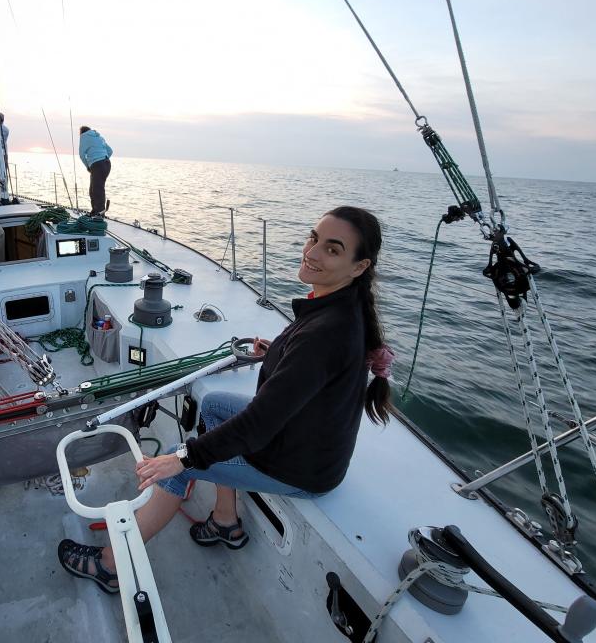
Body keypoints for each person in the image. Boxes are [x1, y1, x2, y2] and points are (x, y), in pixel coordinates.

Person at [58, 206, 395, 593]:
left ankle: (111, 566)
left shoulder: (325, 333)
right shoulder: (338, 307)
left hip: (299, 466)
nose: (313, 253)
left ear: (358, 266)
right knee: (216, 402)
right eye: (313, 238)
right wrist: (278, 354)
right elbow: (308, 372)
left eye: (333, 250)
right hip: (306, 439)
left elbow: (258, 425)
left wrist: (181, 458)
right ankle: (225, 521)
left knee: (180, 460)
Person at [78, 126, 112, 217]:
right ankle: (95, 211)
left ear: (81, 132)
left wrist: (88, 166)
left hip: (97, 165)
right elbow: (110, 151)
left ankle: (99, 215)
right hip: (107, 163)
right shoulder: (98, 137)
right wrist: (103, 157)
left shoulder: (83, 136)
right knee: (94, 189)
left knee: (97, 189)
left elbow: (81, 155)